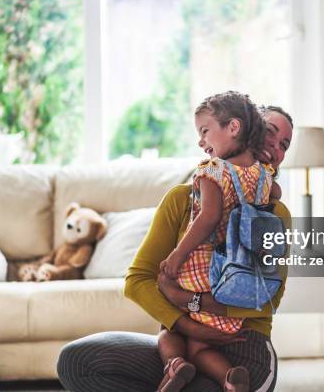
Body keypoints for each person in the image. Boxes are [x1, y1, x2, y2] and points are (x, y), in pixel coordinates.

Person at [57, 104, 293, 392]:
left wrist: (184, 297)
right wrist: (187, 324)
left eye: (284, 144)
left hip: (245, 346)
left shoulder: (274, 212)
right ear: (242, 132)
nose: (274, 146)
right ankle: (175, 370)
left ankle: (216, 379)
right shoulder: (182, 199)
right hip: (183, 340)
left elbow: (265, 298)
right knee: (76, 361)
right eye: (269, 132)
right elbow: (137, 281)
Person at [156, 92, 276, 392]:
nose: (200, 141)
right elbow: (275, 197)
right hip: (238, 276)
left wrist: (176, 256)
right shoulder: (263, 175)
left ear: (233, 127)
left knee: (169, 327)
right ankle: (230, 377)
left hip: (202, 270)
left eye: (204, 131)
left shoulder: (212, 171)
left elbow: (208, 217)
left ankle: (175, 365)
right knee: (199, 344)